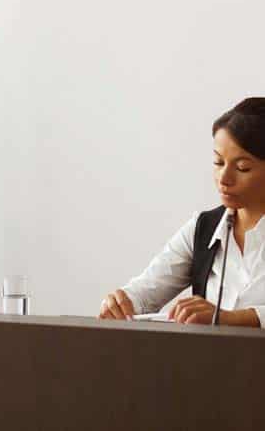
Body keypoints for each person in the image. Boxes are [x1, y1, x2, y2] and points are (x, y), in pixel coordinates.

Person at [99, 97, 265, 327]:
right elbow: (147, 289)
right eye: (218, 163)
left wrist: (228, 318)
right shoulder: (203, 228)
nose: (224, 179)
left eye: (242, 168)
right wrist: (123, 301)